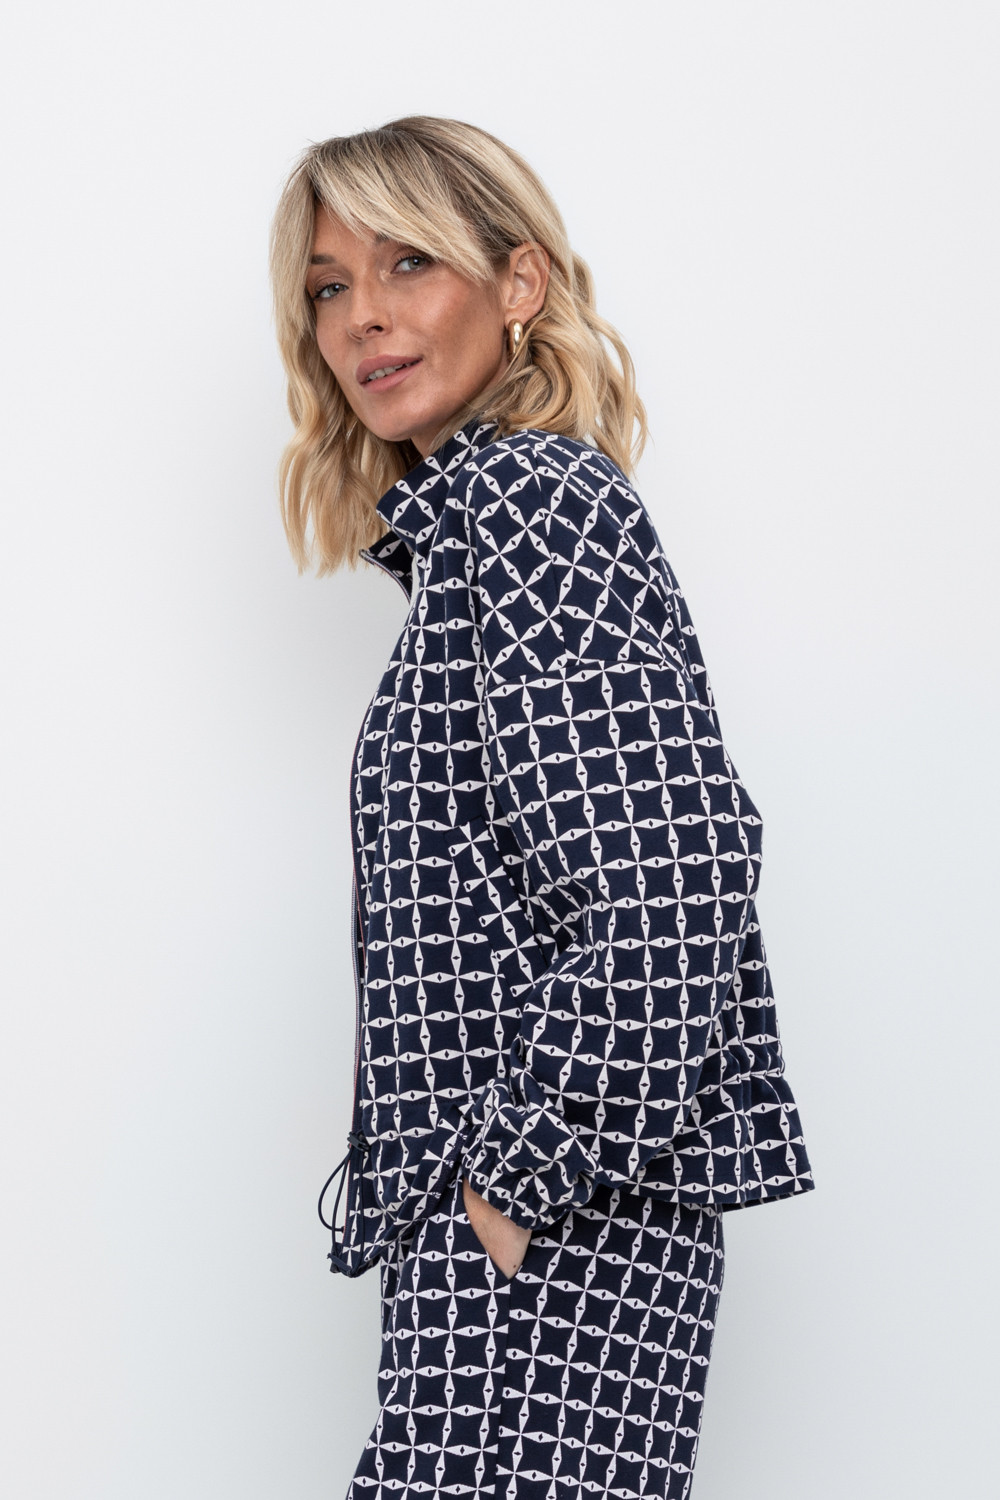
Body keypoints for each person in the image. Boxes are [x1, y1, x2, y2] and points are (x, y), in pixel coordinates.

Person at [269, 116, 813, 1500]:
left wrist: (505, 1188)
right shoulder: (475, 539)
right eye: (330, 285)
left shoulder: (532, 506)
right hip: (526, 1230)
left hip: (551, 1232)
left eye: (408, 263)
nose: (363, 316)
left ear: (519, 283)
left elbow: (675, 881)